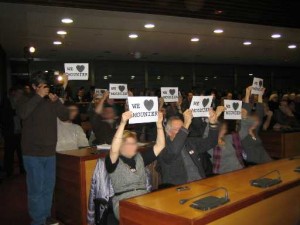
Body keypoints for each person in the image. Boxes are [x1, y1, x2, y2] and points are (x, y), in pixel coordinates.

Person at [16, 72, 69, 225]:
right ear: (34, 87)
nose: (45, 89)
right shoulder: (25, 98)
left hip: (50, 152)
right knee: (36, 189)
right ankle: (38, 220)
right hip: (32, 152)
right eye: (42, 86)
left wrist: (57, 101)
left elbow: (65, 116)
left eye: (46, 86)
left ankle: (45, 216)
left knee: (48, 188)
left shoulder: (51, 100)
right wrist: (38, 96)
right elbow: (23, 113)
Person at [105, 111, 165, 220]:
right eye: (129, 143)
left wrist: (159, 124)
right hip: (123, 202)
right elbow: (114, 150)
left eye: (134, 143)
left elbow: (160, 146)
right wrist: (123, 123)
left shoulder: (140, 158)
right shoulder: (114, 160)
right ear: (121, 145)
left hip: (144, 198)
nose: (134, 146)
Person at [158, 108, 221, 186]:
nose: (183, 132)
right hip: (178, 188)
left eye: (184, 128)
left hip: (200, 182)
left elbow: (211, 142)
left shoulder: (190, 142)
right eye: (179, 129)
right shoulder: (163, 146)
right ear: (169, 132)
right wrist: (186, 124)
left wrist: (212, 123)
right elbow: (174, 151)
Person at [0, 86, 25, 177]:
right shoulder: (7, 102)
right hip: (10, 132)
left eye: (22, 93)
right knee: (9, 152)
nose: (21, 95)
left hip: (19, 132)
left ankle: (22, 169)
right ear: (14, 93)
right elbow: (4, 117)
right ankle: (9, 171)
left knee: (21, 152)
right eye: (19, 93)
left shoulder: (21, 103)